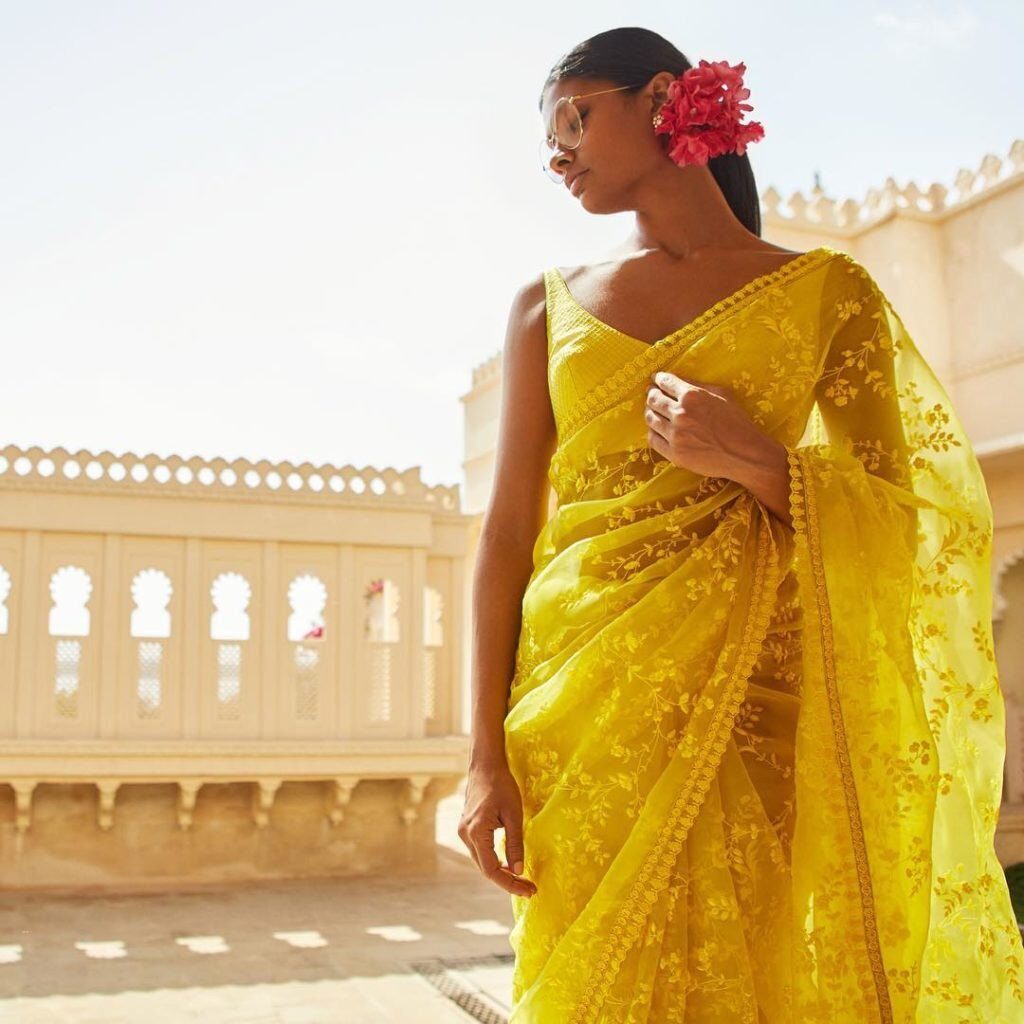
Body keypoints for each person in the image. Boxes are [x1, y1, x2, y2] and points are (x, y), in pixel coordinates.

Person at [457, 26, 1024, 1024]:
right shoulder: (543, 310)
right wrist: (480, 757)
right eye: (549, 140)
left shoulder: (825, 297)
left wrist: (756, 461)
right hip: (582, 709)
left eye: (576, 118)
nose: (557, 153)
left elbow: (911, 522)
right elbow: (506, 537)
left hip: (761, 697)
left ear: (663, 97)